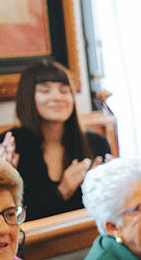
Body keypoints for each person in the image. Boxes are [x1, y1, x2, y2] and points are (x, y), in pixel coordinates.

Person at [9, 59, 112, 219]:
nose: (57, 97)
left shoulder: (97, 143)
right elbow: (13, 215)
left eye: (64, 91)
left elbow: (109, 208)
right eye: (45, 90)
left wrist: (105, 186)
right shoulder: (10, 146)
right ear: (27, 97)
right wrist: (62, 191)